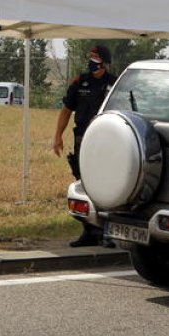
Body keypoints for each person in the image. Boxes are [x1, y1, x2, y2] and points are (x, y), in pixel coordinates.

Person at [52, 44, 117, 247]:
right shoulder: (80, 81)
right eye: (90, 56)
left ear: (104, 62)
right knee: (84, 185)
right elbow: (66, 110)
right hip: (82, 139)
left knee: (107, 186)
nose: (91, 60)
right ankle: (90, 231)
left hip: (106, 142)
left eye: (95, 57)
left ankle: (107, 232)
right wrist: (57, 136)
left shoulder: (114, 83)